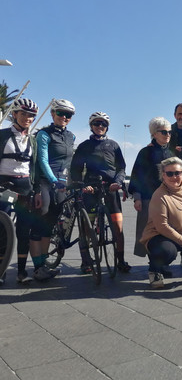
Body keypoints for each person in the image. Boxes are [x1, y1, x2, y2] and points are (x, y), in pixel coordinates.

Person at [70, 112, 131, 274]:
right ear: (91, 126)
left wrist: (118, 182)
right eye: (96, 123)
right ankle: (86, 261)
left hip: (110, 188)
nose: (100, 127)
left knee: (118, 226)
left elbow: (121, 168)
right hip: (91, 189)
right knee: (86, 227)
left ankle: (120, 260)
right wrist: (82, 185)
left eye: (103, 124)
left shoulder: (114, 145)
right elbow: (75, 169)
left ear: (107, 127)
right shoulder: (84, 146)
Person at [30, 99, 76, 281]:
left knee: (50, 224)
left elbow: (70, 162)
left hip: (62, 184)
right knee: (40, 221)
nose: (64, 117)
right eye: (60, 113)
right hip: (45, 182)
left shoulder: (71, 136)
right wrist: (52, 180)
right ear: (52, 114)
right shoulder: (44, 134)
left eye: (68, 115)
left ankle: (43, 265)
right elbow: (42, 159)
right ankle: (37, 267)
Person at [0, 98, 41, 284]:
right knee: (2, 228)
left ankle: (22, 272)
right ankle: (1, 271)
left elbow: (35, 168)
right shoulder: (2, 135)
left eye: (31, 115)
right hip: (3, 184)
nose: (27, 118)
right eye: (23, 114)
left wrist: (37, 190)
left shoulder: (32, 139)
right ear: (14, 114)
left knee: (24, 229)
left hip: (25, 186)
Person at [140, 157, 182, 288]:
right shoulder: (159, 195)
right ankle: (155, 270)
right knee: (167, 251)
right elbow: (162, 227)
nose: (174, 177)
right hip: (160, 235)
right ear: (163, 175)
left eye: (177, 173)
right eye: (170, 173)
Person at [128, 117, 174, 259]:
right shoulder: (145, 152)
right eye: (164, 132)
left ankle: (161, 263)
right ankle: (153, 266)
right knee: (149, 233)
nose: (167, 135)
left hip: (168, 200)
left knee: (165, 234)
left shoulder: (171, 153)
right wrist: (137, 198)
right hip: (149, 199)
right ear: (154, 134)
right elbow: (136, 176)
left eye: (169, 132)